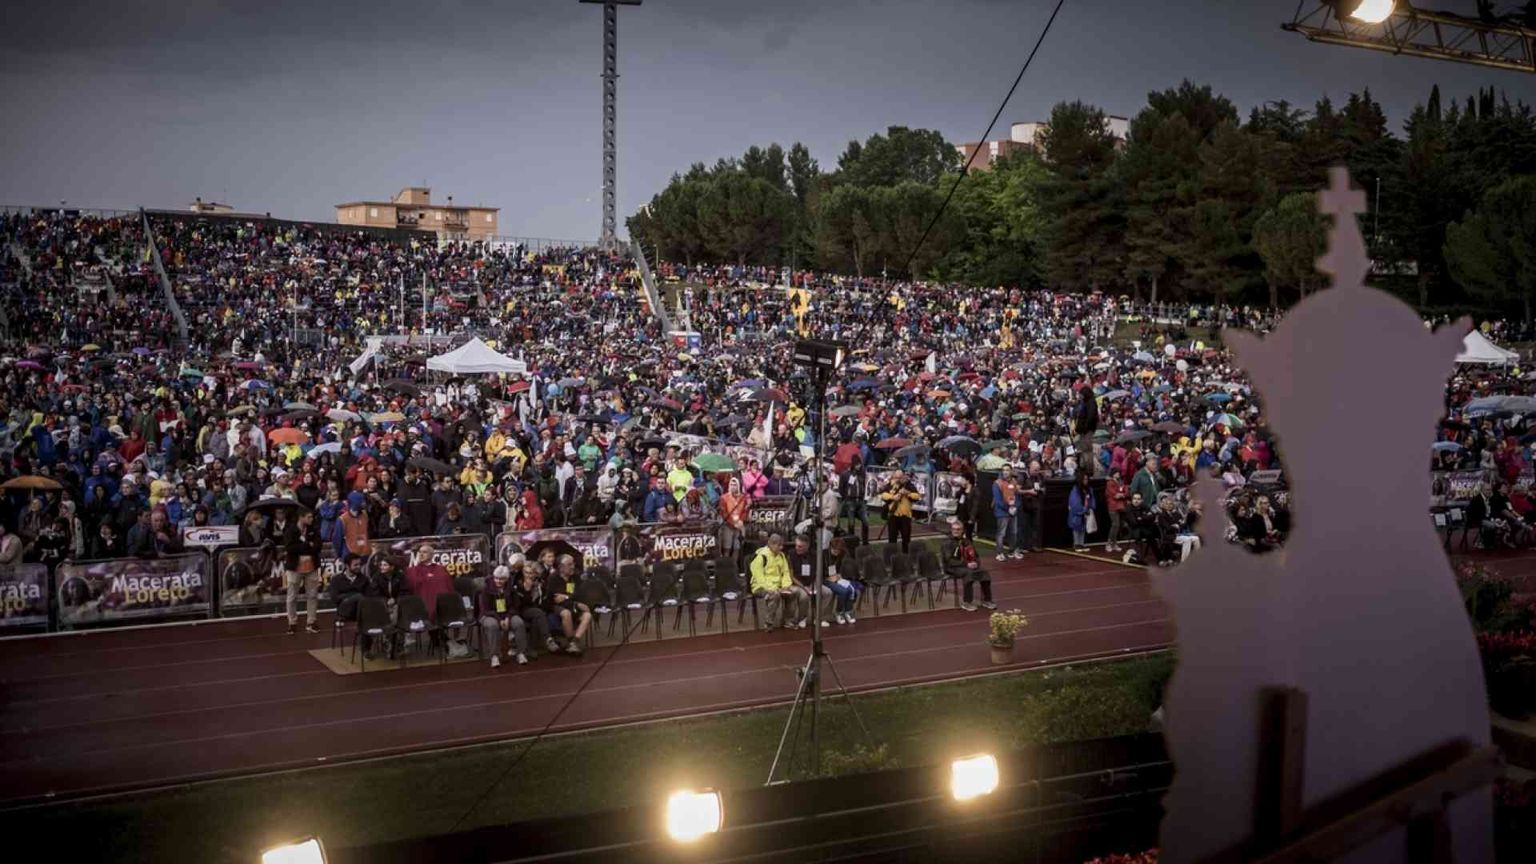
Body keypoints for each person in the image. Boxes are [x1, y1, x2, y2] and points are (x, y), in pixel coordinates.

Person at [406, 543, 468, 658]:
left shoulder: (440, 569)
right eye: (420, 552)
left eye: (424, 552)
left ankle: (448, 642)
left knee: (442, 613)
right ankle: (447, 642)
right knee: (431, 614)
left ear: (431, 554)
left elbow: (448, 588)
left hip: (443, 605)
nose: (421, 554)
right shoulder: (412, 571)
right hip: (422, 606)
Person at [478, 565, 530, 667]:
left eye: (501, 579)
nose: (498, 581)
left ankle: (521, 653)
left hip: (506, 614)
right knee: (493, 625)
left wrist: (508, 617)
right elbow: (486, 609)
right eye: (496, 578)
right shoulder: (486, 589)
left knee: (518, 623)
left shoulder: (511, 589)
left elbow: (515, 606)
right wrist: (499, 619)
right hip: (489, 615)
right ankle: (494, 656)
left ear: (506, 579)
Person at [749, 533, 802, 630]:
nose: (781, 548)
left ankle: (788, 621)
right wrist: (771, 588)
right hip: (760, 587)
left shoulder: (781, 556)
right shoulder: (761, 556)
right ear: (771, 544)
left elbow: (785, 572)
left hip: (778, 586)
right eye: (779, 545)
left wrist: (786, 586)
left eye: (782, 545)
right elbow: (758, 576)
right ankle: (769, 623)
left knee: (794, 591)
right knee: (775, 594)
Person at [283, 509, 323, 634]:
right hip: (295, 568)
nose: (311, 519)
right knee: (292, 596)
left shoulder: (313, 530)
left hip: (311, 567)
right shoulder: (291, 530)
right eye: (309, 517)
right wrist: (307, 545)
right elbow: (289, 548)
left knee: (312, 595)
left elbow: (318, 546)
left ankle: (311, 621)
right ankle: (292, 622)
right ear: (301, 517)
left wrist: (306, 547)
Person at [941, 519, 994, 611]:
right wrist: (966, 564)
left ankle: (987, 600)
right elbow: (949, 560)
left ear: (962, 531)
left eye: (958, 529)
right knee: (969, 574)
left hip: (966, 566)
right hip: (952, 567)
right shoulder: (947, 543)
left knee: (984, 572)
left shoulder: (967, 541)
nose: (956, 531)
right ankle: (967, 602)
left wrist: (975, 563)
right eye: (954, 529)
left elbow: (975, 555)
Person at [785, 534, 834, 628]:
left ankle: (818, 617)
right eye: (796, 545)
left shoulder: (814, 555)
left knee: (828, 592)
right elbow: (791, 576)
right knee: (804, 596)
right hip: (797, 583)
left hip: (811, 582)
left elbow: (817, 572)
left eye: (800, 546)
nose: (797, 548)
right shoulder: (790, 554)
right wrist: (804, 587)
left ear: (807, 546)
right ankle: (802, 618)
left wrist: (814, 584)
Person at [880, 470, 920, 553]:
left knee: (906, 539)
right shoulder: (890, 485)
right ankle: (892, 557)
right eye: (896, 477)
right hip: (893, 515)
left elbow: (917, 496)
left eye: (900, 477)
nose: (898, 479)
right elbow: (883, 495)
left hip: (905, 516)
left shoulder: (909, 485)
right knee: (892, 539)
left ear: (903, 476)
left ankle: (906, 556)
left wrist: (907, 493)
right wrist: (893, 497)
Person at [991, 465, 1021, 560]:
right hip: (1002, 512)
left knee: (1014, 532)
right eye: (1003, 470)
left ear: (1011, 471)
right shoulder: (997, 483)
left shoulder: (1014, 482)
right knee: (1001, 533)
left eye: (1007, 470)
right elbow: (998, 500)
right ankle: (999, 553)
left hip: (1013, 511)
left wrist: (1015, 506)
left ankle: (1012, 551)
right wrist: (1008, 508)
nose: (1005, 472)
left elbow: (1017, 496)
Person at [331, 552, 368, 623]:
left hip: (361, 611)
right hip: (344, 610)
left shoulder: (364, 579)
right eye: (356, 565)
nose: (359, 567)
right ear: (347, 566)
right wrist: (354, 596)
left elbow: (368, 596)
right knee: (358, 596)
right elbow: (335, 598)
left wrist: (347, 596)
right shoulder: (336, 579)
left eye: (360, 564)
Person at [1067, 471, 1096, 552]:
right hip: (1077, 513)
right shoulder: (1075, 490)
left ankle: (1081, 544)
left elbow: (1092, 499)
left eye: (1087, 479)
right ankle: (1076, 544)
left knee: (1083, 528)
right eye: (1084, 479)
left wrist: (1090, 508)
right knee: (1076, 528)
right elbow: (1074, 502)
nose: (1086, 481)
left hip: (1085, 511)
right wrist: (1083, 510)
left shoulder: (1089, 489)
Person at [1105, 471, 1129, 554]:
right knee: (1115, 524)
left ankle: (1114, 543)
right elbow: (1113, 493)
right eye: (1116, 472)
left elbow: (1126, 492)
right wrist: (1119, 495)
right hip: (1113, 507)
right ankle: (1109, 543)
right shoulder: (1109, 483)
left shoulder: (1121, 482)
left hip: (1121, 506)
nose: (1118, 474)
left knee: (1119, 525)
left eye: (1119, 472)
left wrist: (1121, 495)